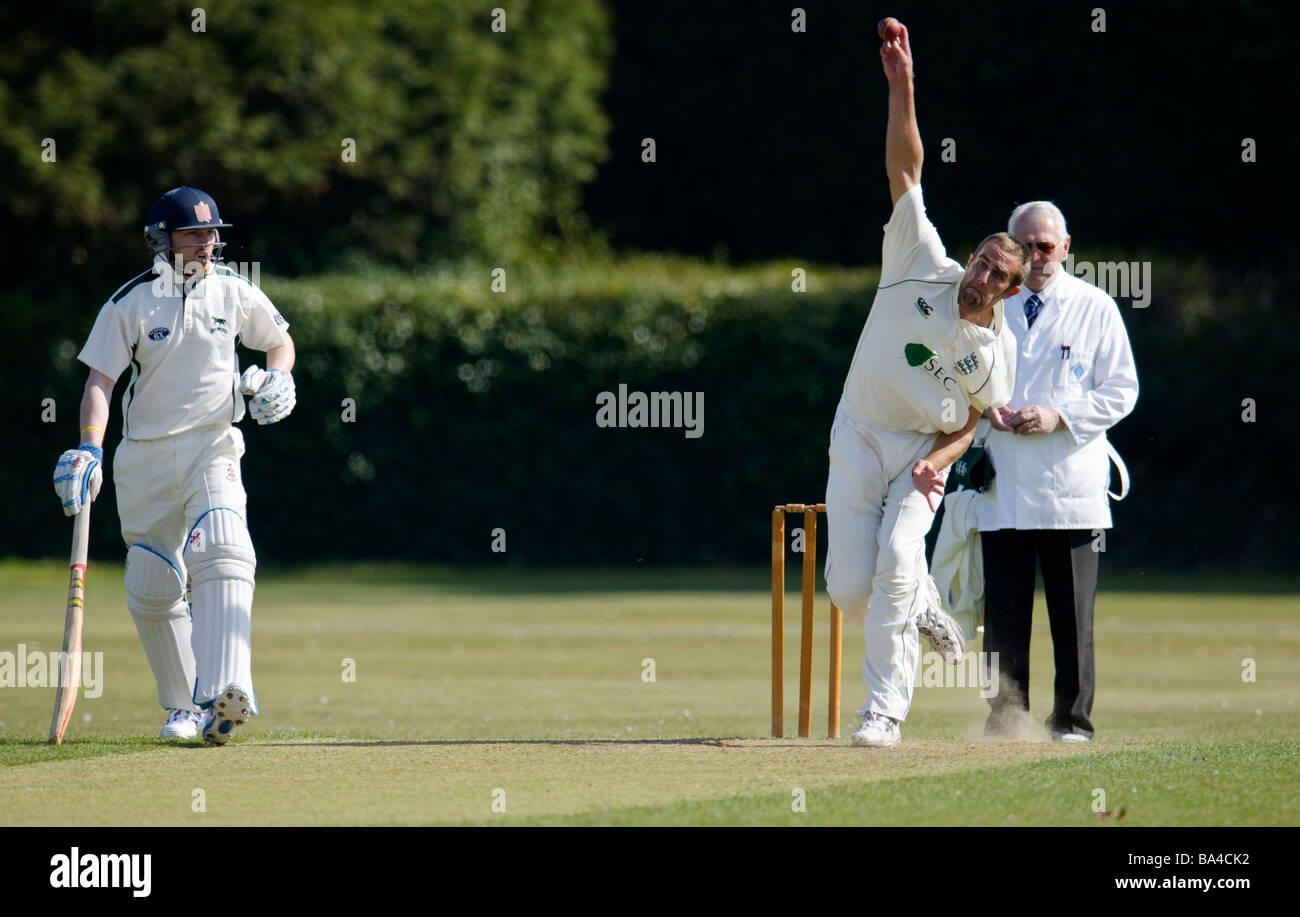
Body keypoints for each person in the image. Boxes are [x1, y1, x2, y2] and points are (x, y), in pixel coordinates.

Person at [824, 23, 1029, 748]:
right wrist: (901, 83)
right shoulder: (920, 256)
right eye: (979, 261)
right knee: (851, 588)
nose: (978, 277)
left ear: (1009, 292)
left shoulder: (997, 355)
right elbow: (906, 170)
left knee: (900, 560)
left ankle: (883, 713)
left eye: (995, 276)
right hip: (858, 430)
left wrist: (935, 462)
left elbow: (976, 422)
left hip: (920, 455)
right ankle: (924, 607)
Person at [52, 186, 296, 745]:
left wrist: (279, 377)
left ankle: (229, 689)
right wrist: (90, 447)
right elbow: (100, 382)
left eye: (213, 234)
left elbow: (279, 342)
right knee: (152, 580)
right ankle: (187, 708)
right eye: (194, 234)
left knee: (225, 545)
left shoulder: (235, 291)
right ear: (161, 240)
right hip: (144, 457)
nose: (207, 244)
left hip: (214, 443)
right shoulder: (129, 302)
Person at [978, 200, 1139, 742]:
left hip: (1071, 487)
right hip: (1002, 483)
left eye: (1046, 246)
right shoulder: (989, 305)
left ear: (1066, 248)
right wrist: (987, 409)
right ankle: (1005, 720)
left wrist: (1059, 415)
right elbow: (962, 376)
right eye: (1024, 246)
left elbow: (1122, 391)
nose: (1036, 256)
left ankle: (1071, 722)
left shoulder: (1096, 306)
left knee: (1071, 619)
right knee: (1002, 619)